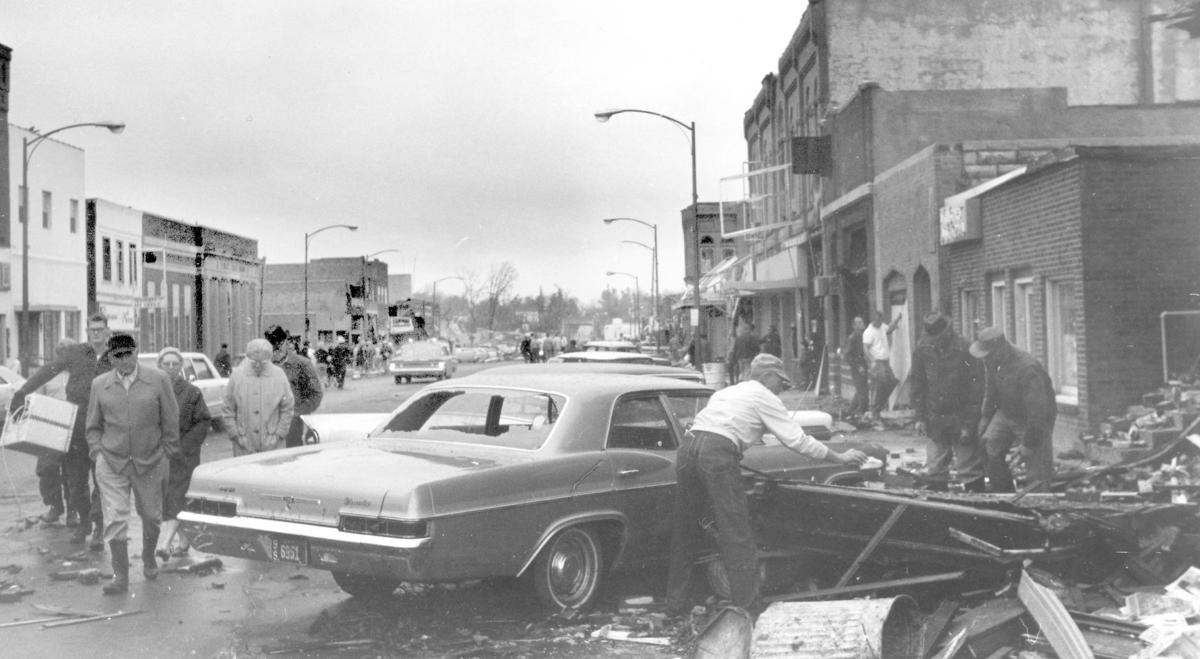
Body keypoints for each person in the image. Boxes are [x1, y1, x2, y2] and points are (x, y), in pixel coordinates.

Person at [665, 354, 868, 614]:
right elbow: (797, 441)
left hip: (689, 448)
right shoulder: (763, 396)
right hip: (717, 452)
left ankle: (675, 605)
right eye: (780, 383)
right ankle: (746, 610)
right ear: (766, 376)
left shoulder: (727, 392)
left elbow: (726, 427)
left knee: (685, 530)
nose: (781, 390)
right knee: (736, 534)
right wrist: (839, 456)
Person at [85, 333, 180, 594]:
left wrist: (166, 453)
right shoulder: (99, 385)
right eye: (118, 356)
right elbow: (92, 426)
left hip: (151, 461)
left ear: (136, 352)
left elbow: (171, 421)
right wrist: (97, 453)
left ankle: (148, 557)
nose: (125, 360)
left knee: (151, 517)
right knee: (115, 519)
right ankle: (121, 577)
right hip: (112, 463)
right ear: (110, 358)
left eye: (129, 354)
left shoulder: (157, 379)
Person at [10, 312, 114, 547]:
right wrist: (23, 391)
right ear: (88, 331)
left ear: (108, 331)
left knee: (101, 481)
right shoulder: (77, 353)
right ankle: (84, 521)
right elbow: (49, 370)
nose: (96, 333)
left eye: (100, 329)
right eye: (92, 329)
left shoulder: (116, 356)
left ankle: (98, 528)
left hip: (104, 427)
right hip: (76, 425)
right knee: (75, 482)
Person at [970, 327, 1057, 492]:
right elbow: (992, 391)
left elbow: (1038, 411)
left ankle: (1038, 505)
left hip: (1033, 419)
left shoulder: (1027, 367)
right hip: (1007, 412)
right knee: (988, 446)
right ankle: (1004, 496)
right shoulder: (993, 361)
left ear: (1000, 349)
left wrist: (1028, 444)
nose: (985, 360)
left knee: (1037, 469)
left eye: (988, 355)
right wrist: (985, 418)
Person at [911, 313, 985, 492]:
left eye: (938, 337)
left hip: (961, 415)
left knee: (969, 468)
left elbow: (977, 390)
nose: (935, 341)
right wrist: (920, 417)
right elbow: (918, 384)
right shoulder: (922, 348)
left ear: (948, 332)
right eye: (932, 338)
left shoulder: (967, 349)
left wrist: (969, 424)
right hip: (935, 416)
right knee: (936, 468)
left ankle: (977, 508)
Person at [153, 347, 210, 562]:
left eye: (174, 364)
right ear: (159, 366)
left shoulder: (192, 392)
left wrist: (183, 447)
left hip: (183, 456)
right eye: (165, 364)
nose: (170, 368)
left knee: (176, 497)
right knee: (166, 499)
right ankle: (184, 541)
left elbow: (203, 421)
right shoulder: (152, 390)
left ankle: (165, 544)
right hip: (159, 455)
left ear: (181, 366)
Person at [223, 338, 295, 456]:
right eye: (253, 362)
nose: (257, 365)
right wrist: (236, 435)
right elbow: (227, 409)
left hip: (273, 443)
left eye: (263, 363)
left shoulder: (279, 375)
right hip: (243, 444)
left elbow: (288, 408)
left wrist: (279, 435)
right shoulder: (237, 376)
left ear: (270, 359)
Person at [265, 325, 323, 448]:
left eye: (279, 345)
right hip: (269, 426)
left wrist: (298, 412)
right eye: (273, 347)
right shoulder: (265, 366)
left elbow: (316, 393)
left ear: (286, 342)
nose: (276, 350)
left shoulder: (302, 364)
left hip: (294, 427)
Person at [862, 310, 902, 429]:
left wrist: (897, 320)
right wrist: (872, 361)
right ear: (873, 320)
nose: (879, 323)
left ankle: (878, 409)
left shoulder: (882, 327)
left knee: (892, 381)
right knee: (881, 384)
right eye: (877, 321)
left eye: (880, 320)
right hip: (877, 361)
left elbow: (889, 328)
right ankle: (875, 412)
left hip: (885, 361)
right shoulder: (868, 332)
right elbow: (866, 349)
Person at [843, 316, 870, 419]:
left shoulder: (864, 336)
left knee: (861, 390)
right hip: (857, 367)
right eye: (858, 322)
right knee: (862, 391)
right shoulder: (852, 338)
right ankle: (864, 413)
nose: (862, 323)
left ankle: (850, 412)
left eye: (862, 321)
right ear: (854, 326)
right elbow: (847, 355)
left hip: (864, 366)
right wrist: (858, 366)